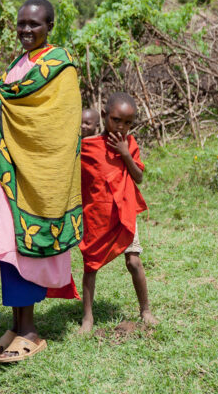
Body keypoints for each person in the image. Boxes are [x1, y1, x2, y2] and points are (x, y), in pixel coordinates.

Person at [0, 0, 83, 363]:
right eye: (21, 23)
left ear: (50, 27)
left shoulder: (60, 66)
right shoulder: (18, 64)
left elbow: (57, 125)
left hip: (37, 175)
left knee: (25, 247)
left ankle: (30, 332)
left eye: (35, 24)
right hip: (9, 171)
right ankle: (15, 325)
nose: (26, 30)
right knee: (10, 250)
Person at [78, 92, 159, 335]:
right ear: (104, 116)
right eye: (116, 120)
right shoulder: (88, 147)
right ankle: (87, 318)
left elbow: (139, 177)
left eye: (127, 123)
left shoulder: (130, 144)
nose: (121, 127)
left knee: (134, 261)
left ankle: (145, 310)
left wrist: (125, 153)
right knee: (91, 266)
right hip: (97, 215)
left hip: (124, 211)